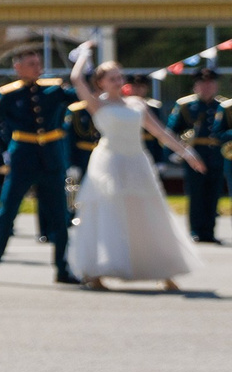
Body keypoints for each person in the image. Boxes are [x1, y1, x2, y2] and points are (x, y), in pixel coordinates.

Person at [68, 49, 202, 290]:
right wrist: (85, 54)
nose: (118, 82)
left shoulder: (136, 103)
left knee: (148, 214)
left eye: (120, 77)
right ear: (100, 83)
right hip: (109, 163)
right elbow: (77, 79)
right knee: (108, 214)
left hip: (136, 161)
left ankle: (165, 271)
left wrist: (186, 152)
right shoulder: (97, 103)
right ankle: (97, 272)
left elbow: (160, 132)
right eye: (112, 78)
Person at [0, 45, 79, 284]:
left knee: (60, 216)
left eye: (38, 63)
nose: (37, 67)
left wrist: (82, 70)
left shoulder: (54, 89)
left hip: (51, 159)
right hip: (23, 159)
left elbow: (79, 96)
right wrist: (4, 150)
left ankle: (63, 269)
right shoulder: (9, 93)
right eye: (31, 63)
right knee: (6, 213)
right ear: (17, 67)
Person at [172, 62, 224, 243]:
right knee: (196, 194)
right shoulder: (185, 105)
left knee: (213, 194)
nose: (207, 86)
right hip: (194, 155)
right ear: (196, 86)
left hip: (218, 155)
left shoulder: (224, 106)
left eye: (210, 83)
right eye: (202, 83)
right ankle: (195, 231)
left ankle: (209, 232)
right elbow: (172, 130)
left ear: (216, 85)